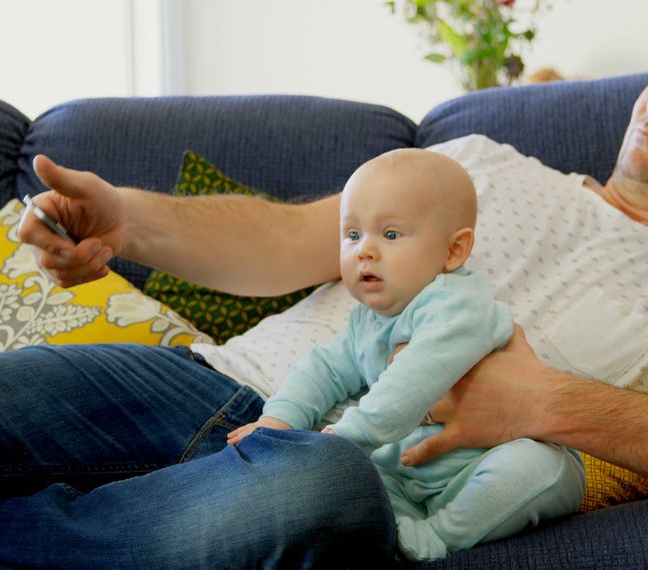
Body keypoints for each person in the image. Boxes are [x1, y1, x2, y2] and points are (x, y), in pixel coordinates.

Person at [0, 2, 648, 567]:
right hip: (210, 382)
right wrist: (132, 219)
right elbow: (295, 237)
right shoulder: (484, 164)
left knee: (316, 497)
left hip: (327, 467)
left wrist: (553, 404)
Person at [225, 148, 585, 561]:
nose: (365, 251)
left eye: (390, 235)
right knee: (363, 480)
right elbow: (324, 368)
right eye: (353, 235)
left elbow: (409, 386)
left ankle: (437, 537)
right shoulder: (366, 319)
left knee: (539, 468)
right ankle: (395, 529)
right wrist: (281, 419)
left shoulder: (458, 305)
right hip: (407, 476)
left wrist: (339, 443)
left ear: (453, 251)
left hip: (485, 463)